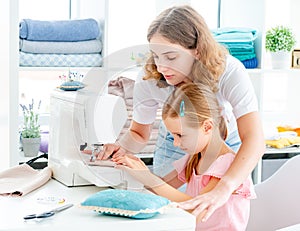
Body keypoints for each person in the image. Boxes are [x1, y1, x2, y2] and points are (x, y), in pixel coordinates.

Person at [95, 5, 265, 221]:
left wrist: (224, 187)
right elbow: (139, 134)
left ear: (197, 50)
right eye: (156, 55)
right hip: (172, 136)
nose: (162, 66)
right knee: (168, 214)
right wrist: (120, 150)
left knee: (209, 210)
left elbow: (254, 139)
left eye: (171, 57)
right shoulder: (149, 80)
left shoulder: (228, 71)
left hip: (223, 140)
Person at [113, 82, 257, 231]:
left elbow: (195, 208)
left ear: (207, 127)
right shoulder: (193, 159)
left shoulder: (227, 164)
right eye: (173, 135)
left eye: (180, 135)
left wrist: (148, 178)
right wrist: (136, 170)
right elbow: (161, 188)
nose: (176, 143)